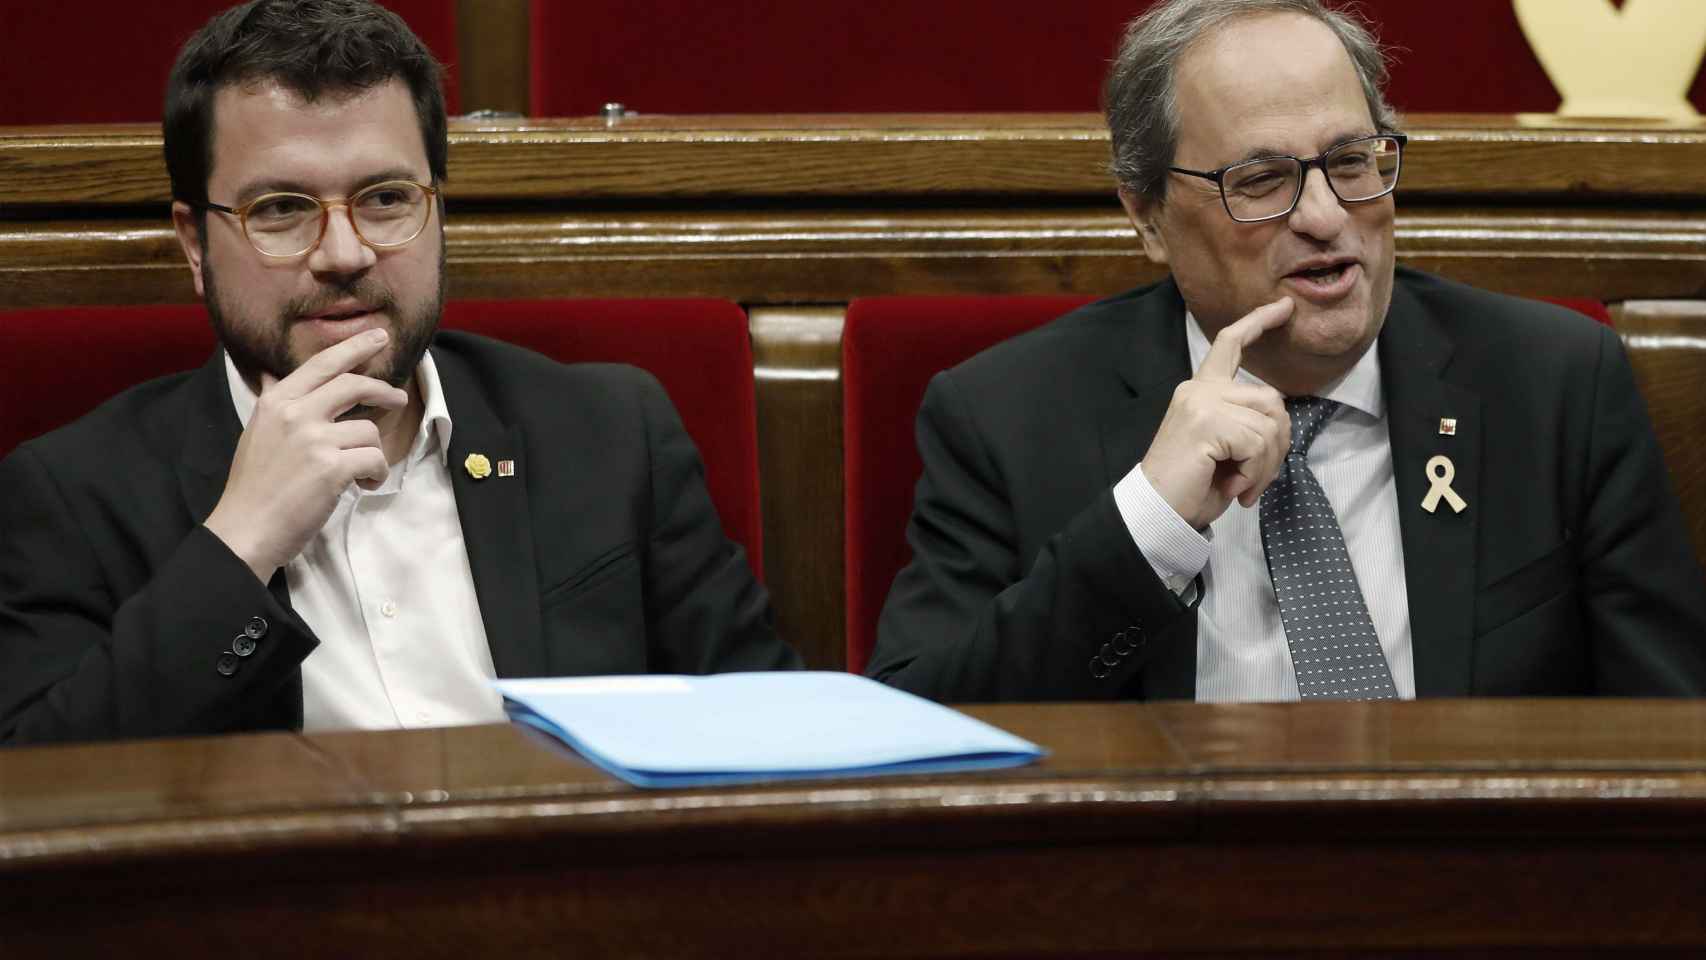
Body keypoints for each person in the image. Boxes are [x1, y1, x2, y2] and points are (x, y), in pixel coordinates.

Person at [0, 0, 798, 744]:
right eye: (280, 209)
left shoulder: (610, 434)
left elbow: (775, 731)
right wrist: (241, 546)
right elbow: (45, 793)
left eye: (385, 199)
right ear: (193, 246)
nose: (344, 255)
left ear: (437, 208)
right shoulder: (74, 497)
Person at [868, 0, 1706, 702]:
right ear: (1149, 217)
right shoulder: (1006, 417)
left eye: (1352, 160)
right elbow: (923, 734)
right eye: (1262, 180)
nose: (1326, 215)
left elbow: (1672, 743)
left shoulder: (1556, 385)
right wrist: (1150, 523)